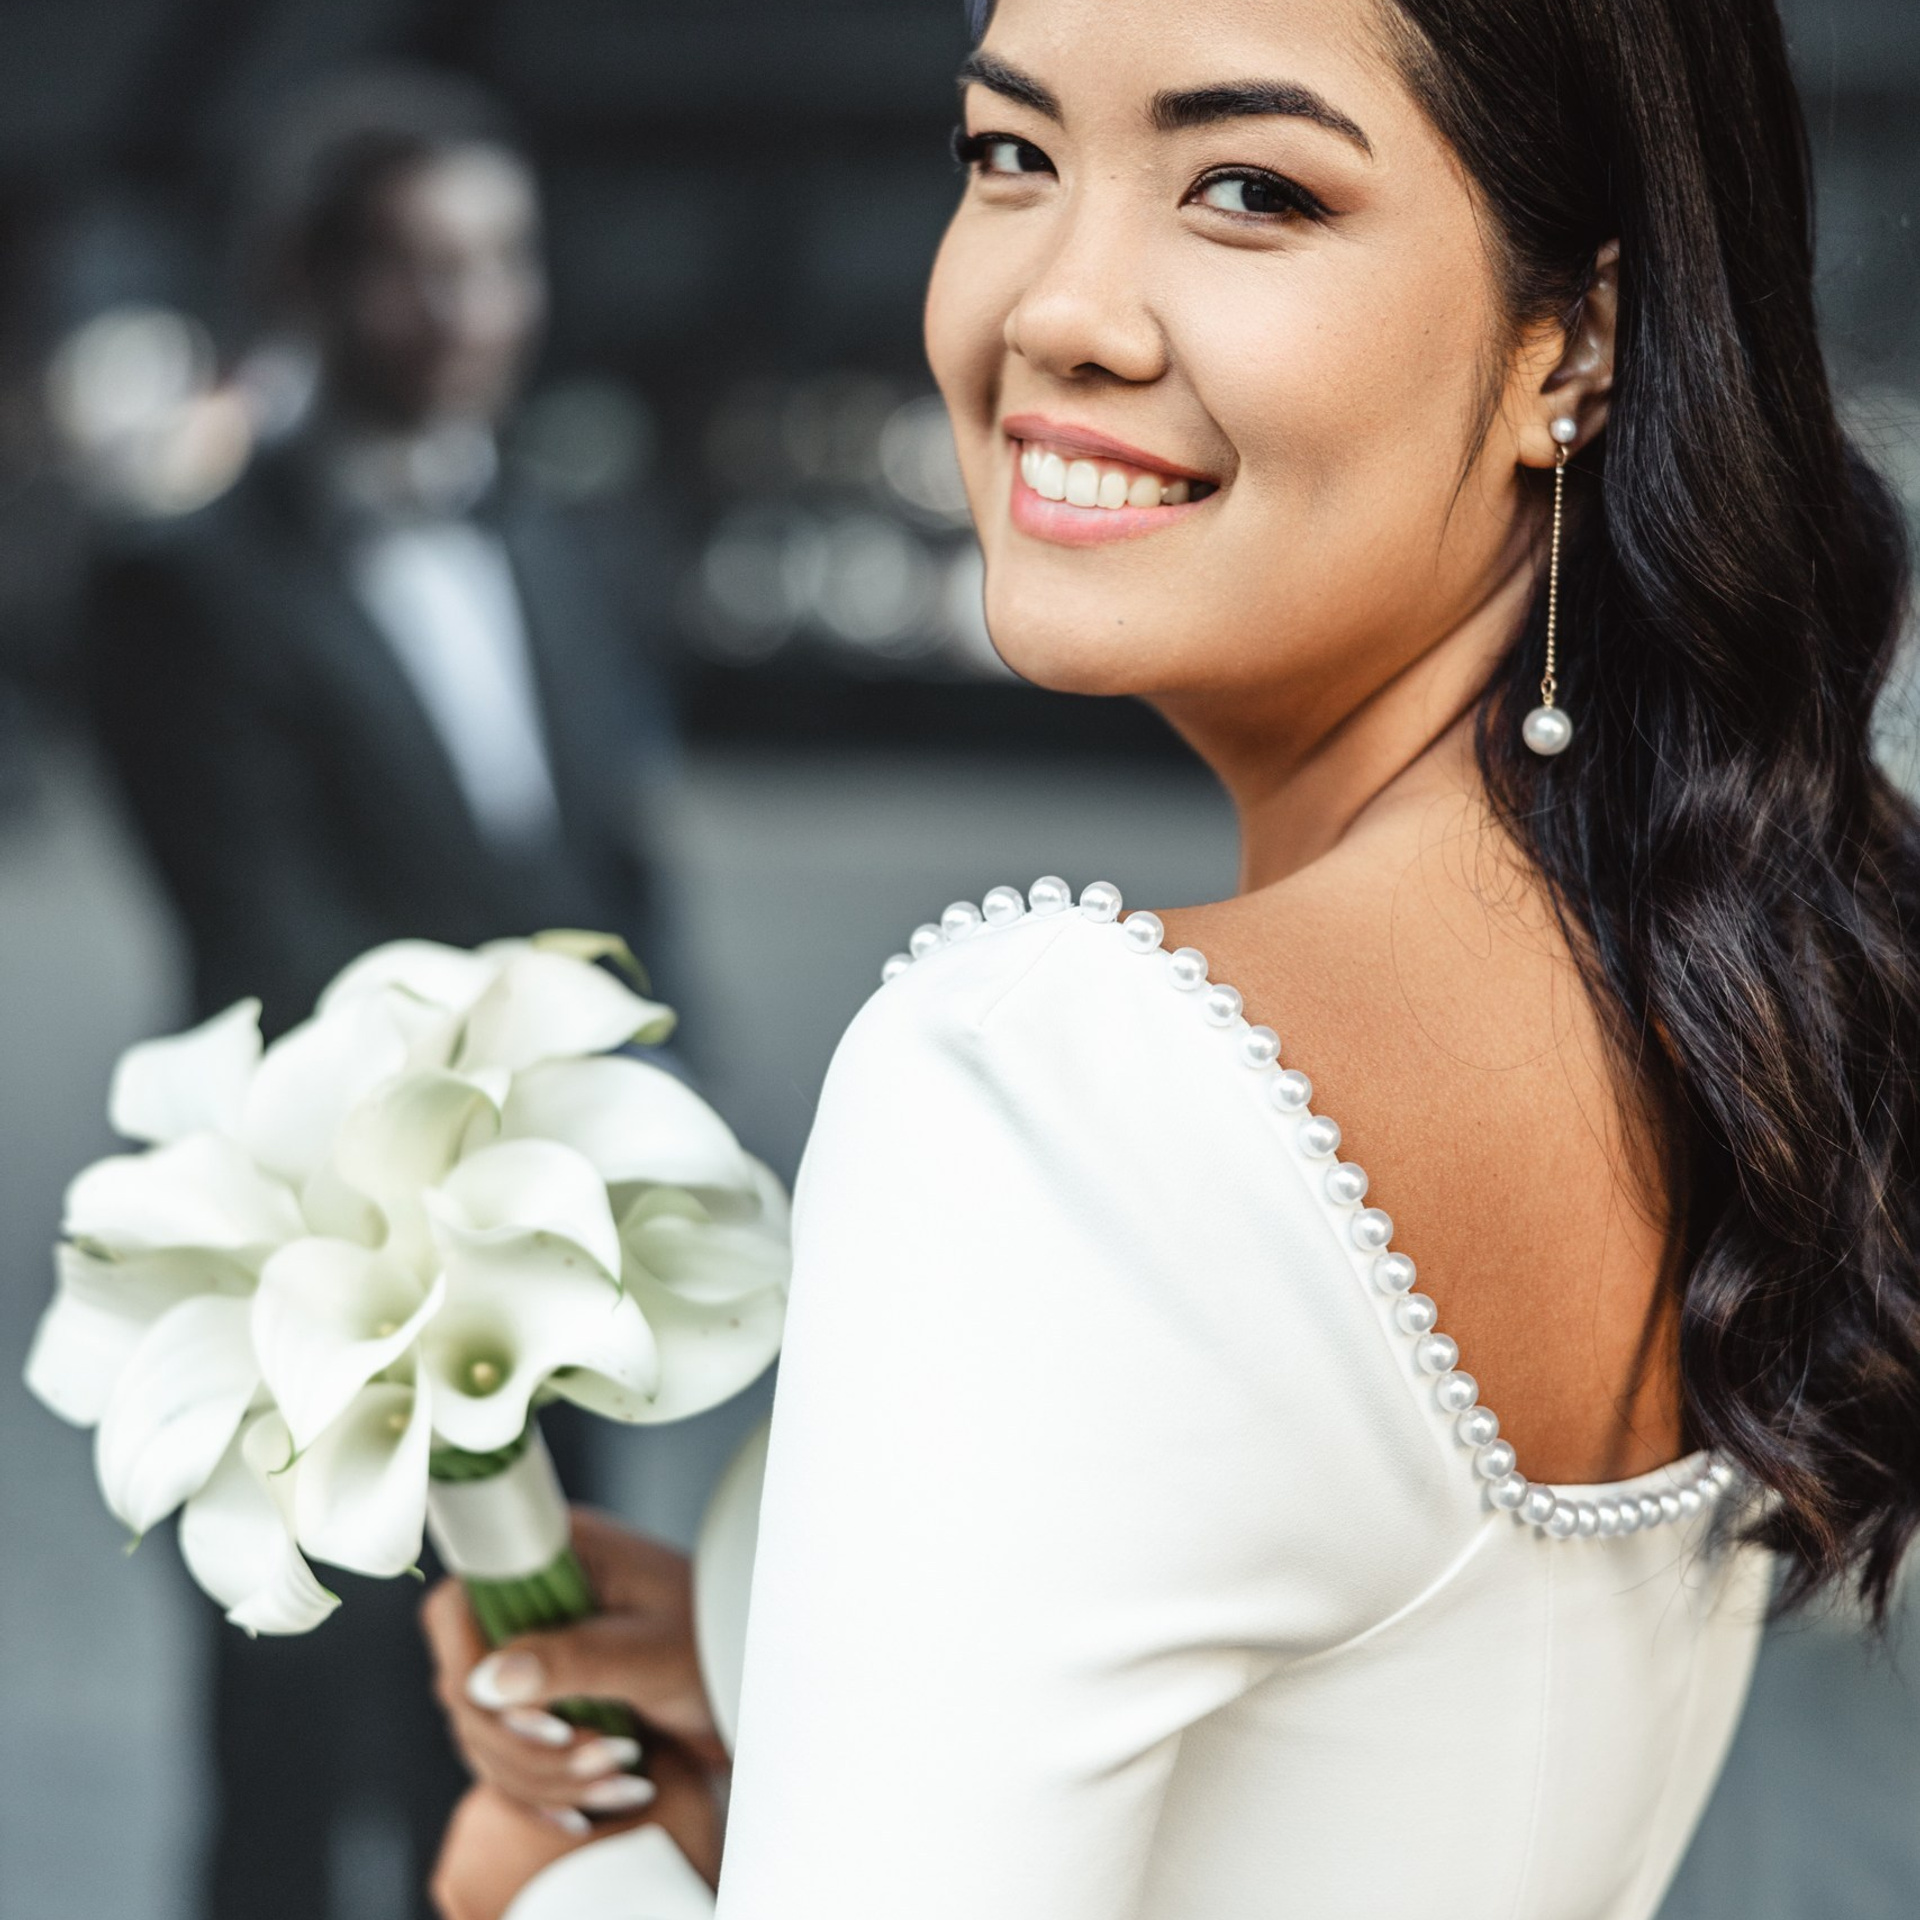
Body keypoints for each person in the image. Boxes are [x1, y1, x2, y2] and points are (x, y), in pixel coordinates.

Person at [422, 0, 1920, 1913]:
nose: (1059, 307)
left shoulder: (1060, 1088)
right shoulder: (1723, 998)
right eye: (1010, 156)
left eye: (1245, 188)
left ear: (1576, 342)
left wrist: (556, 1878)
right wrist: (794, 1694)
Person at [85, 77, 682, 1920]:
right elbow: (274, 941)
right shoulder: (184, 587)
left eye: (501, 262)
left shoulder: (570, 544)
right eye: (422, 270)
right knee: (288, 1765)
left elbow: (621, 882)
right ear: (316, 289)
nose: (473, 311)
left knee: (523, 1751)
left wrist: (648, 1170)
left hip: (554, 1258)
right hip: (310, 1275)